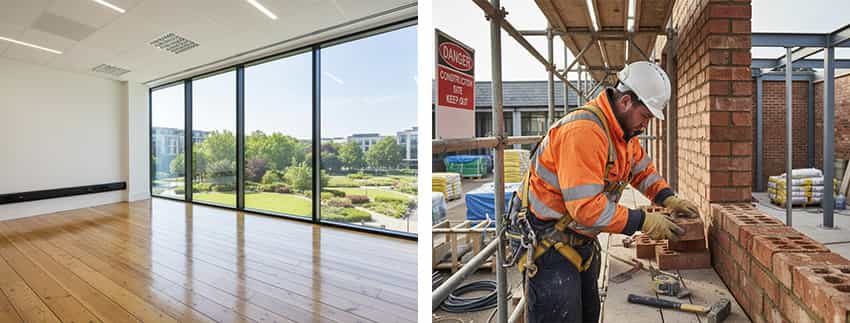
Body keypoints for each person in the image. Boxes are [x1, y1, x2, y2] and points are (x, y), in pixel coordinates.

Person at [513, 61, 700, 323]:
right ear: (625, 102)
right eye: (645, 116)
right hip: (549, 243)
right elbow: (587, 208)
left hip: (579, 239)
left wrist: (666, 196)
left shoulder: (622, 133)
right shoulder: (584, 132)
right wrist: (642, 221)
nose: (645, 125)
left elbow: (641, 170)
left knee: (588, 314)